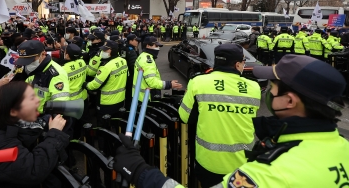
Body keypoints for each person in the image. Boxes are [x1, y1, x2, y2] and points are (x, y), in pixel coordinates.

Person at [113, 55, 349, 188]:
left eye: (274, 86)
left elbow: (185, 116)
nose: (268, 90)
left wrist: (139, 171)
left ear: (289, 100)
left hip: (207, 163)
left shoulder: (270, 174)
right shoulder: (343, 147)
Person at [178, 43, 261, 187]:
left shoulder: (198, 82)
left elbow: (185, 117)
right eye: (243, 62)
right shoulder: (254, 87)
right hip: (242, 164)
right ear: (237, 64)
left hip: (208, 162)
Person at [0, 82, 69, 187]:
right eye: (31, 98)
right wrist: (54, 134)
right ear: (13, 111)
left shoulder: (27, 126)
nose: (38, 100)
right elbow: (33, 171)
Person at [14, 40, 70, 113]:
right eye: (24, 61)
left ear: (43, 54)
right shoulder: (32, 68)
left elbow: (61, 103)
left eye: (31, 60)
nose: (27, 64)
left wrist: (46, 120)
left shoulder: (55, 74)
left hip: (42, 116)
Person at [133, 36, 182, 101]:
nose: (158, 48)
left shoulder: (142, 55)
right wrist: (169, 84)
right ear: (148, 46)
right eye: (156, 46)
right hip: (147, 97)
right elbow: (152, 82)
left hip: (140, 95)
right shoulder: (148, 61)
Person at [125, 34, 140, 108]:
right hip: (131, 76)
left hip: (127, 75)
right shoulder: (131, 51)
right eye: (136, 40)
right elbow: (133, 65)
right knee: (130, 94)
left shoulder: (128, 48)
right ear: (130, 41)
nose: (137, 42)